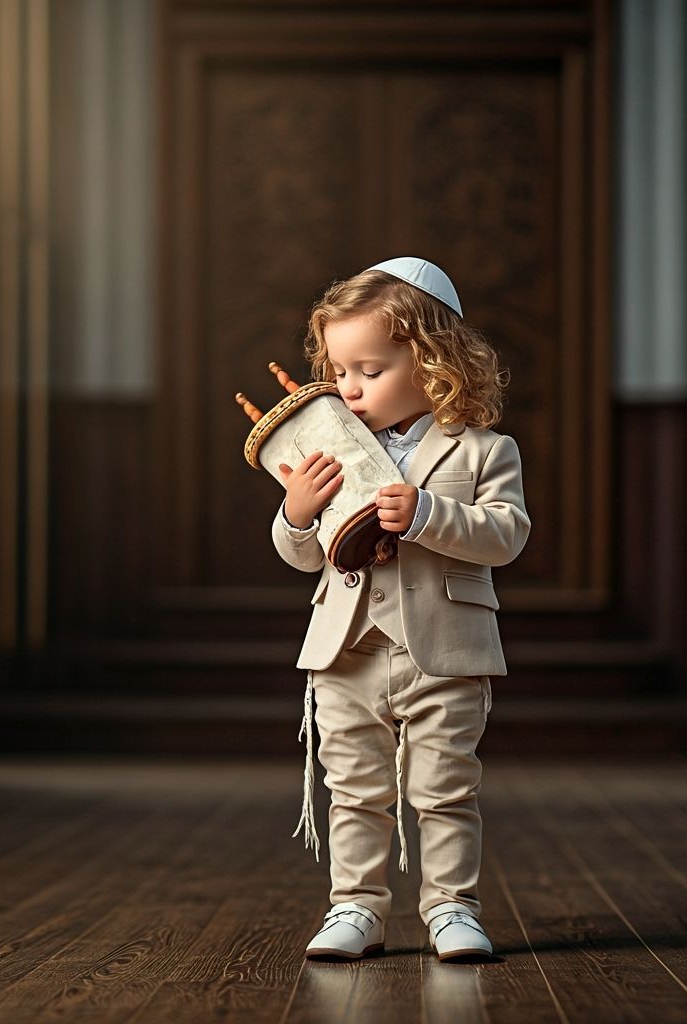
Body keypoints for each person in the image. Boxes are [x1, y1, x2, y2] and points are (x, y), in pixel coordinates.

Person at [272, 257, 530, 962]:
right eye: (340, 371)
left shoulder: (481, 451)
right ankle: (355, 907)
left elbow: (507, 535)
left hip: (444, 648)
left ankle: (452, 907)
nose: (349, 389)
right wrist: (297, 514)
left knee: (444, 787)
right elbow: (302, 552)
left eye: (371, 370)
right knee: (352, 789)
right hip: (347, 651)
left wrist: (428, 515)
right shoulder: (326, 448)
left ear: (433, 361)